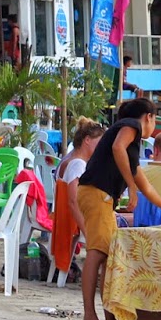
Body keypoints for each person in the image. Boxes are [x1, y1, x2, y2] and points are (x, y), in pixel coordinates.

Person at [76, 99, 161, 320]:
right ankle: (89, 317)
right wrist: (131, 190)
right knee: (98, 252)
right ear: (148, 117)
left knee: (107, 254)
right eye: (154, 120)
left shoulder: (131, 150)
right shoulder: (130, 126)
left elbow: (146, 186)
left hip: (97, 194)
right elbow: (117, 147)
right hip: (97, 193)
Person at [51, 119, 105, 279]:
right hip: (75, 221)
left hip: (64, 218)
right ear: (87, 140)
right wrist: (87, 232)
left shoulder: (68, 159)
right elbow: (73, 202)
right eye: (99, 143)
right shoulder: (78, 165)